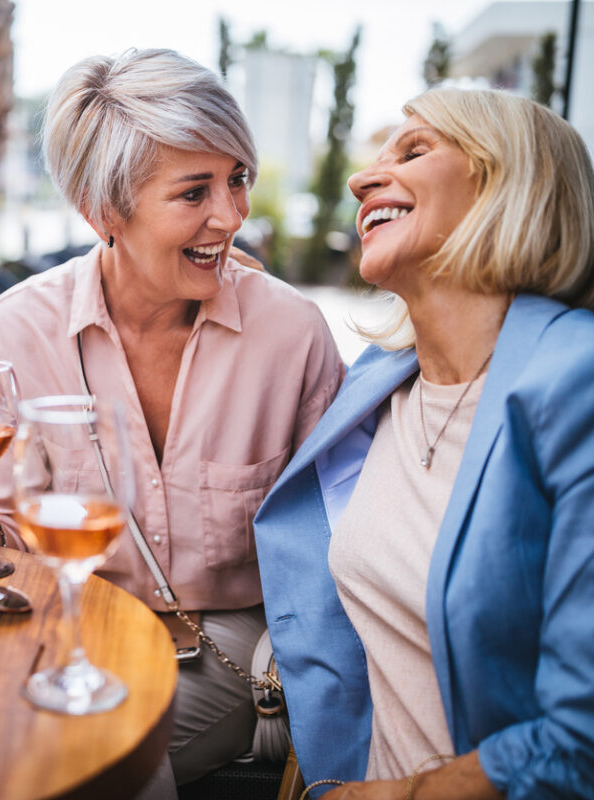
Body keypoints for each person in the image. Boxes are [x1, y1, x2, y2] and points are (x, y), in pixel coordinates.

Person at [0, 48, 345, 792]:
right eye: (194, 192)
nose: (232, 215)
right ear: (102, 210)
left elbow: (341, 544)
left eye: (236, 179)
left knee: (81, 748)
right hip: (63, 619)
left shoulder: (293, 336)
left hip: (227, 641)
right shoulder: (17, 332)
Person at [253, 88, 594, 800]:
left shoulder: (577, 384)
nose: (361, 180)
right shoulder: (380, 385)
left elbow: (580, 739)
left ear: (511, 182)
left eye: (414, 151)